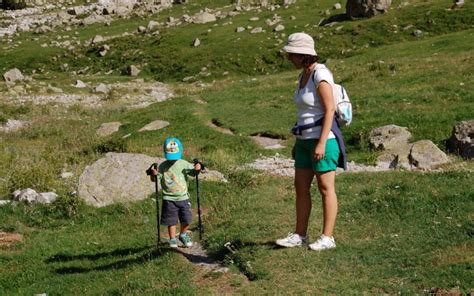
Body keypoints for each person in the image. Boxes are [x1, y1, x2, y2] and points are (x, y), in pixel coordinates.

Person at [275, 32, 347, 251]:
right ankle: (300, 235)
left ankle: (328, 237)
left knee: (326, 188)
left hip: (323, 139)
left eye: (292, 55)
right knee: (301, 188)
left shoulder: (321, 74)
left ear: (303, 55)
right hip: (305, 141)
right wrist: (299, 142)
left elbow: (329, 109)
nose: (289, 59)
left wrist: (322, 143)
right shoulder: (303, 75)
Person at [150, 137, 201, 248]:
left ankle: (183, 234)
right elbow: (155, 180)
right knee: (171, 220)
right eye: (170, 157)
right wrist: (154, 174)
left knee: (187, 219)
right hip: (169, 198)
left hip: (183, 197)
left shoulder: (184, 163)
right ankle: (172, 238)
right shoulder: (162, 166)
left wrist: (197, 169)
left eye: (175, 157)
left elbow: (193, 173)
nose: (173, 160)